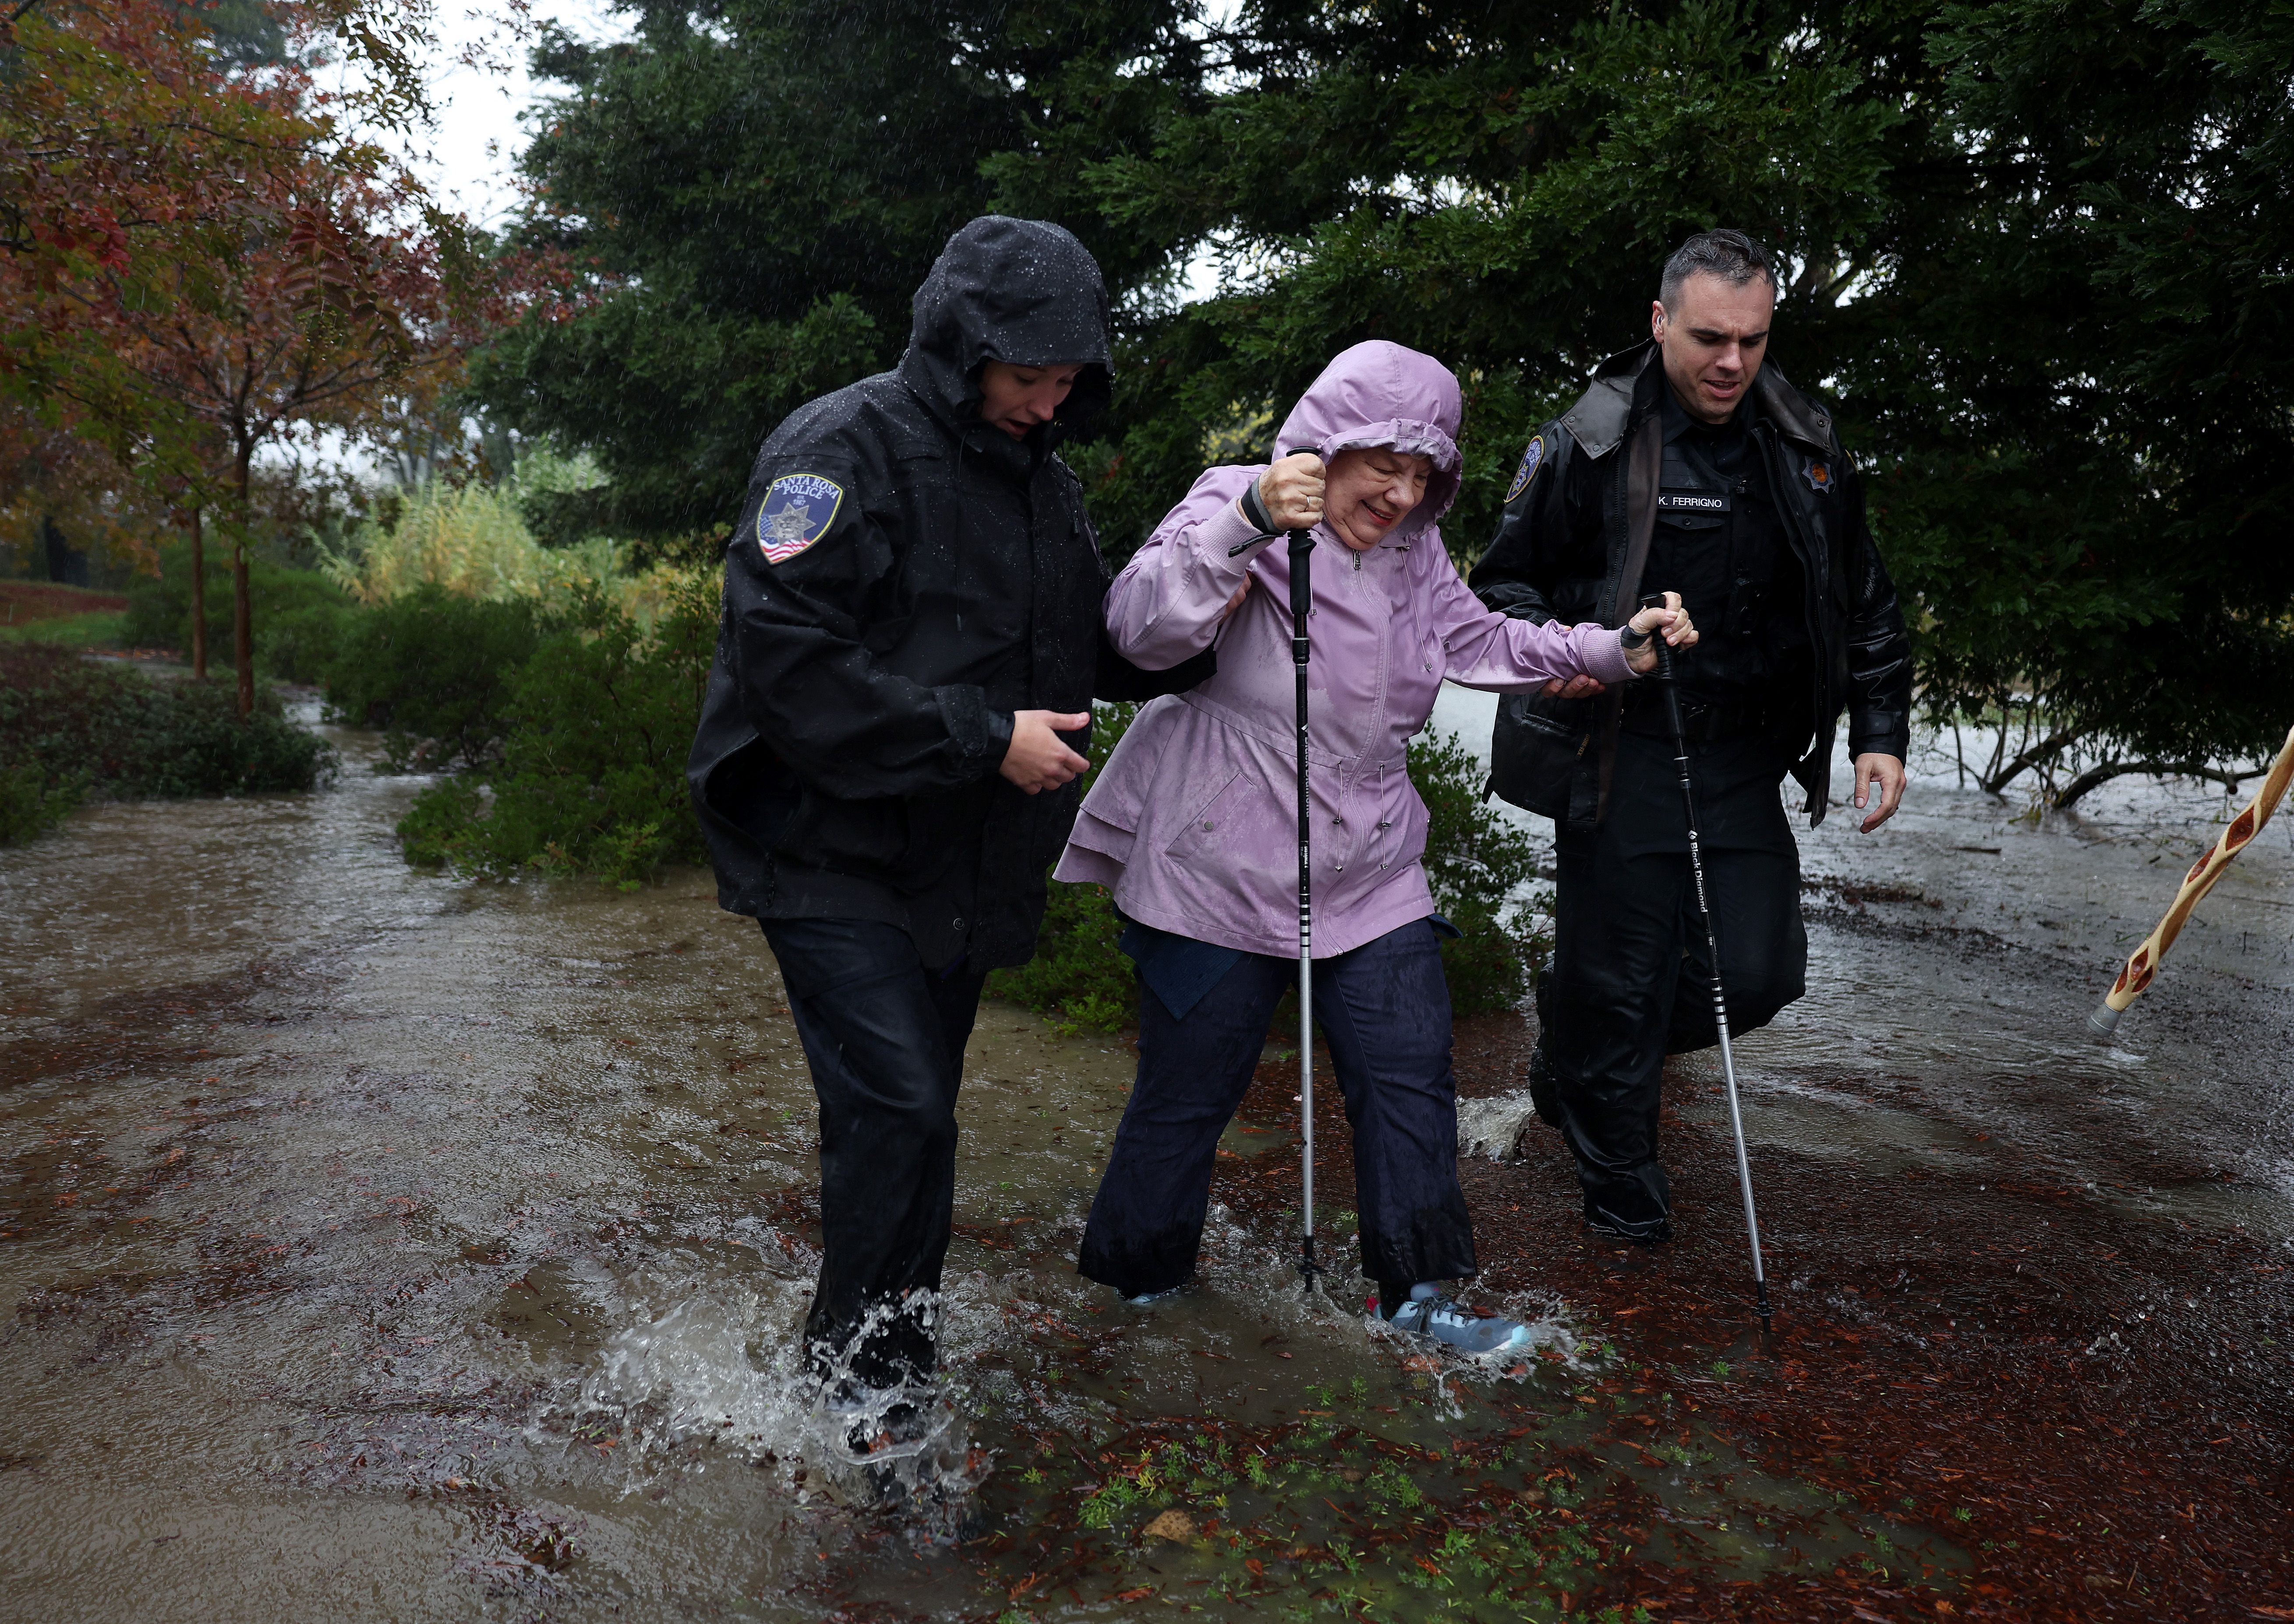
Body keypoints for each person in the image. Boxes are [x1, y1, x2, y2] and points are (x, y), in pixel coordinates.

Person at [1054, 340, 1696, 1352]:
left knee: (1409, 1071)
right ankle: (1140, 1293)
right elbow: (1134, 632)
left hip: (1370, 860)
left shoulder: (1414, 552)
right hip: (1217, 856)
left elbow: (1478, 640)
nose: (1400, 494)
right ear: (1327, 443)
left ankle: (1420, 1295)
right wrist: (1249, 522)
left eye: (1422, 474)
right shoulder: (1240, 497)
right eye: (1381, 466)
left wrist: (1610, 650)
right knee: (1190, 1094)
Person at [686, 216, 1211, 1407]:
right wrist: (984, 739)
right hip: (813, 839)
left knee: (914, 1121)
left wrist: (1218, 626)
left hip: (951, 858)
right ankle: (862, 1394)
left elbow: (1083, 647)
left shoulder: (1043, 480)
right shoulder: (836, 449)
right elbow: (786, 658)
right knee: (903, 1106)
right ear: (959, 346)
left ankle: (879, 1367)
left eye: (1068, 383)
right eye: (1028, 379)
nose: (1047, 403)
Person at [1470, 229, 1914, 1243]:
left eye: (1753, 341)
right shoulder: (1589, 440)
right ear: (1660, 321)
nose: (1733, 363)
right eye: (1711, 337)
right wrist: (1588, 646)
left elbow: (1868, 599)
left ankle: (1573, 1056)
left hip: (1742, 758)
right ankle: (1624, 1205)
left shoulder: (1806, 442)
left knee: (1759, 976)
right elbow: (1500, 589)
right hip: (1618, 750)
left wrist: (1877, 733)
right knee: (1622, 980)